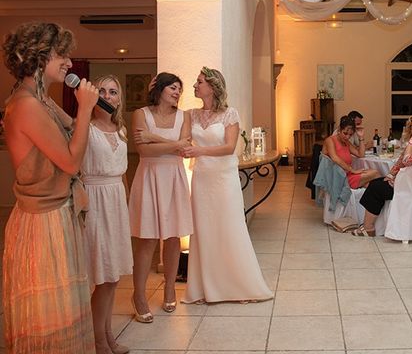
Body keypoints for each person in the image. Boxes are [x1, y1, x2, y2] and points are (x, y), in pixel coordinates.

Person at [2, 22, 98, 352]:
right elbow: (71, 162)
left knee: (65, 311)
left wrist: (80, 112)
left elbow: (71, 128)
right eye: (63, 54)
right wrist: (85, 107)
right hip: (42, 223)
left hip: (57, 215)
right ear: (40, 57)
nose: (70, 62)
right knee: (49, 315)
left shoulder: (39, 98)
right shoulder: (25, 105)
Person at [181, 67, 273, 304]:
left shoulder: (229, 114)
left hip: (223, 179)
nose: (195, 85)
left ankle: (238, 285)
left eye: (199, 81)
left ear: (212, 86)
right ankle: (205, 287)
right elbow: (181, 140)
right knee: (204, 230)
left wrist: (199, 150)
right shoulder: (190, 114)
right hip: (202, 178)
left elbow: (229, 147)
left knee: (229, 228)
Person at [129, 72, 193, 323]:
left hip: (175, 177)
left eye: (180, 89)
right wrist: (174, 144)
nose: (177, 93)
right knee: (147, 239)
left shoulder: (184, 116)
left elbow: (185, 146)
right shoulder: (140, 114)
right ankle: (139, 295)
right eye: (173, 88)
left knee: (175, 236)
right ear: (159, 89)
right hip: (150, 177)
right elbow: (143, 150)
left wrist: (154, 137)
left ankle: (169, 289)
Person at [82, 75, 133, 354]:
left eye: (113, 92)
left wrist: (125, 205)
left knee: (113, 277)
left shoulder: (121, 130)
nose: (107, 95)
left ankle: (108, 334)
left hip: (115, 203)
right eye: (101, 90)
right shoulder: (86, 129)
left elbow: (123, 173)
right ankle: (97, 340)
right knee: (102, 277)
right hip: (95, 201)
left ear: (119, 99)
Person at [354, 114, 412, 236]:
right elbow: (399, 164)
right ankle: (369, 225)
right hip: (406, 183)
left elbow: (407, 161)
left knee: (376, 188)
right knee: (377, 182)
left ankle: (368, 228)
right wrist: (390, 176)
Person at [322, 115, 380, 190]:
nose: (347, 137)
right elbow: (335, 158)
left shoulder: (346, 142)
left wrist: (361, 137)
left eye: (350, 135)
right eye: (345, 133)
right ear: (339, 130)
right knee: (375, 173)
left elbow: (360, 155)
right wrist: (353, 170)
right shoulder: (330, 140)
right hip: (338, 178)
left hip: (348, 174)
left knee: (369, 184)